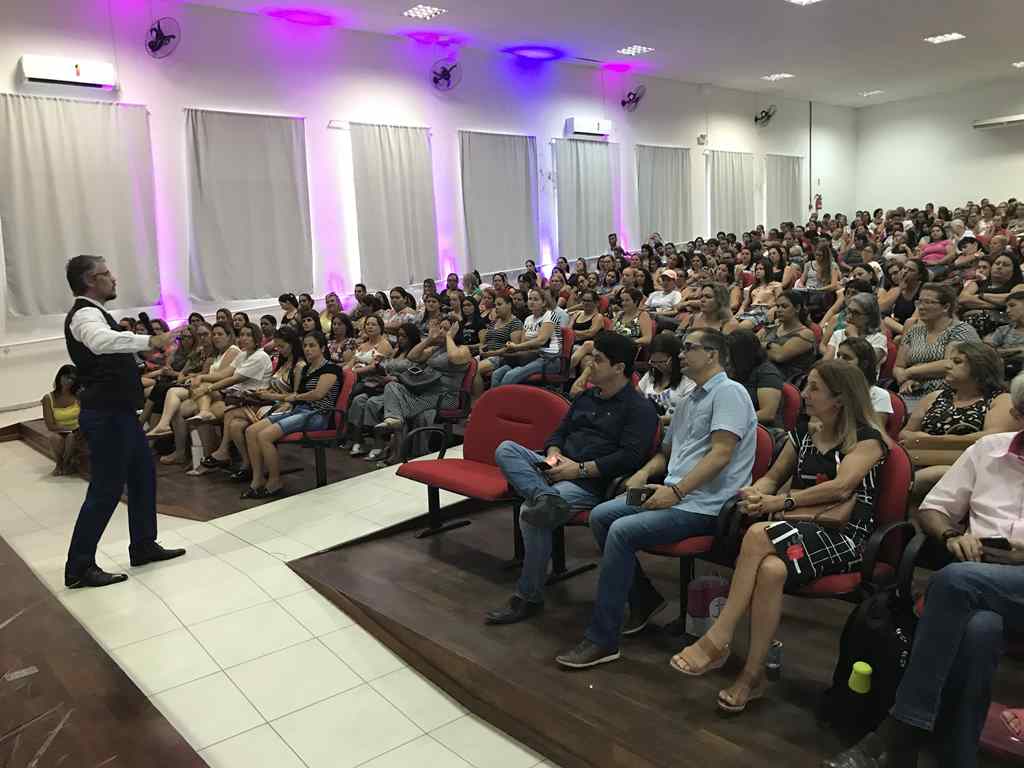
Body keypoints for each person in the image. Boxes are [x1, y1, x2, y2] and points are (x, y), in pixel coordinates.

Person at [824, 373, 1024, 768]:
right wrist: (952, 535)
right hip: (983, 574)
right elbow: (934, 509)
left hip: (993, 578)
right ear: (1019, 414)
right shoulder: (988, 451)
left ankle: (901, 728)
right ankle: (954, 757)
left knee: (954, 581)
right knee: (980, 628)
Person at [672, 360, 887, 713]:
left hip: (846, 536)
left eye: (814, 388)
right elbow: (773, 477)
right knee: (771, 571)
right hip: (800, 528)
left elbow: (842, 486)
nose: (803, 394)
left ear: (840, 398)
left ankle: (719, 636)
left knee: (758, 534)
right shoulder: (802, 432)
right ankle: (751, 676)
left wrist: (780, 502)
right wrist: (756, 494)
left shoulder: (867, 439)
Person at [554, 329, 757, 669]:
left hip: (707, 504)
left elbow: (721, 454)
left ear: (713, 355)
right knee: (602, 515)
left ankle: (603, 640)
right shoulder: (690, 399)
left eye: (689, 348)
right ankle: (644, 599)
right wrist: (645, 473)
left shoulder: (730, 394)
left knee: (620, 531)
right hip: (671, 491)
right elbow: (667, 453)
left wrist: (675, 491)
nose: (680, 354)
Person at [486, 332, 658, 626]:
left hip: (588, 482)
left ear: (619, 368)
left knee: (531, 514)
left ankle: (529, 597)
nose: (590, 363)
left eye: (598, 359)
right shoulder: (587, 396)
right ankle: (545, 496)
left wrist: (576, 470)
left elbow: (627, 459)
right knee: (506, 449)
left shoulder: (638, 409)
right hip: (557, 465)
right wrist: (553, 455)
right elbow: (559, 433)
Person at [62, 255, 185, 588]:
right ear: (90, 281)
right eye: (105, 274)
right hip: (105, 415)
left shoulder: (97, 313)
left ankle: (143, 544)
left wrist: (145, 356)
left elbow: (110, 350)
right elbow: (101, 343)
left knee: (143, 477)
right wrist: (150, 341)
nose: (113, 278)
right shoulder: (86, 314)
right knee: (105, 489)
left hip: (119, 414)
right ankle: (79, 566)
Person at [899, 341, 1019, 496]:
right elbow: (904, 434)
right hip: (921, 462)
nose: (947, 366)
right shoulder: (934, 397)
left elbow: (992, 439)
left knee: (924, 479)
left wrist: (930, 440)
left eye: (957, 362)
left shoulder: (1000, 399)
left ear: (980, 367)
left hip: (971, 469)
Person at [354, 318, 472, 463]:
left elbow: (454, 357)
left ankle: (397, 451)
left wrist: (448, 337)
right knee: (392, 386)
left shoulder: (463, 349)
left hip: (445, 396)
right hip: (425, 391)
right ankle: (394, 422)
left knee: (399, 408)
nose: (441, 331)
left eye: (446, 329)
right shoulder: (436, 349)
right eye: (440, 328)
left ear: (455, 332)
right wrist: (429, 339)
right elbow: (413, 356)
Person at [241, 331, 341, 498]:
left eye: (312, 346)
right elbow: (293, 396)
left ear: (322, 348)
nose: (307, 349)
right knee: (251, 431)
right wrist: (273, 396)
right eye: (305, 346)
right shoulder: (306, 369)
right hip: (300, 410)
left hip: (317, 415)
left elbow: (318, 394)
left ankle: (274, 481)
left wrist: (295, 397)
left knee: (265, 436)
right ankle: (257, 480)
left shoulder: (331, 368)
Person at [203, 326, 306, 478]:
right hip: (269, 401)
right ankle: (248, 464)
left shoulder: (298, 366)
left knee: (230, 412)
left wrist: (268, 396)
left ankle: (225, 451)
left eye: (282, 346)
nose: (279, 349)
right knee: (235, 426)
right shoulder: (282, 363)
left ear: (293, 344)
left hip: (282, 406)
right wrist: (266, 393)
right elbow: (272, 386)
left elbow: (294, 396)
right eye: (277, 346)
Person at [893, 284, 980, 412]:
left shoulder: (960, 330)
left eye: (928, 302)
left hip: (950, 393)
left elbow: (949, 364)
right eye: (920, 302)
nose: (921, 307)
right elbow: (899, 366)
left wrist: (910, 372)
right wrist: (905, 380)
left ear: (946, 307)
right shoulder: (913, 332)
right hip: (913, 392)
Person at [490, 288, 562, 387]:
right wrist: (518, 345)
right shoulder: (528, 319)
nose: (531, 302)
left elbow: (541, 341)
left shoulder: (551, 315)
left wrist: (517, 346)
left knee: (509, 376)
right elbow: (524, 342)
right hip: (529, 356)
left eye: (536, 299)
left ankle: (506, 401)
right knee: (496, 374)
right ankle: (496, 401)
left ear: (544, 302)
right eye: (530, 299)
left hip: (549, 359)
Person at [634, 332, 695, 424]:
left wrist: (658, 420)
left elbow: (688, 415)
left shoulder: (689, 380)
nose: (657, 366)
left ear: (675, 358)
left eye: (662, 362)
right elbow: (635, 397)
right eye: (653, 362)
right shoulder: (651, 375)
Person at [727, 329, 784, 427]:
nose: (727, 358)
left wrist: (728, 421)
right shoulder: (735, 369)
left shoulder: (767, 372)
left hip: (759, 428)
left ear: (742, 355)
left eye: (730, 354)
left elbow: (767, 414)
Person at [473, 294, 524, 398]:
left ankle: (479, 402)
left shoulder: (515, 323)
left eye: (500, 304)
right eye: (495, 305)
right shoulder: (494, 322)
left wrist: (492, 353)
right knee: (463, 366)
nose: (496, 307)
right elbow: (485, 341)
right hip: (487, 354)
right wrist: (481, 348)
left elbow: (514, 348)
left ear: (509, 305)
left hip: (501, 357)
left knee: (473, 370)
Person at [761, 290, 818, 383]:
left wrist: (765, 344)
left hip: (788, 382)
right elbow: (752, 344)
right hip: (764, 374)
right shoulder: (772, 328)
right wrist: (771, 347)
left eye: (784, 306)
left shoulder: (806, 333)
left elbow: (780, 356)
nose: (779, 310)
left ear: (797, 308)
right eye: (778, 306)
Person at [823, 291, 888, 367]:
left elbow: (866, 366)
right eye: (849, 311)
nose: (849, 316)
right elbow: (826, 364)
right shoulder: (838, 334)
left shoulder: (878, 339)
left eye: (856, 313)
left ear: (869, 317)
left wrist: (853, 336)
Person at [837, 337, 894, 418]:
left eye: (846, 358)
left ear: (864, 364)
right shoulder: (829, 389)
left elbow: (875, 430)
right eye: (838, 356)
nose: (838, 361)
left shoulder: (879, 396)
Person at [42, 364, 81, 476]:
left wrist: (75, 428)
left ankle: (65, 463)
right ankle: (59, 463)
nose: (69, 381)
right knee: (54, 438)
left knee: (71, 437)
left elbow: (84, 417)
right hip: (60, 429)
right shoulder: (48, 398)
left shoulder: (78, 396)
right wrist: (66, 428)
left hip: (78, 430)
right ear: (59, 377)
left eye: (72, 379)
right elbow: (50, 425)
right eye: (66, 377)